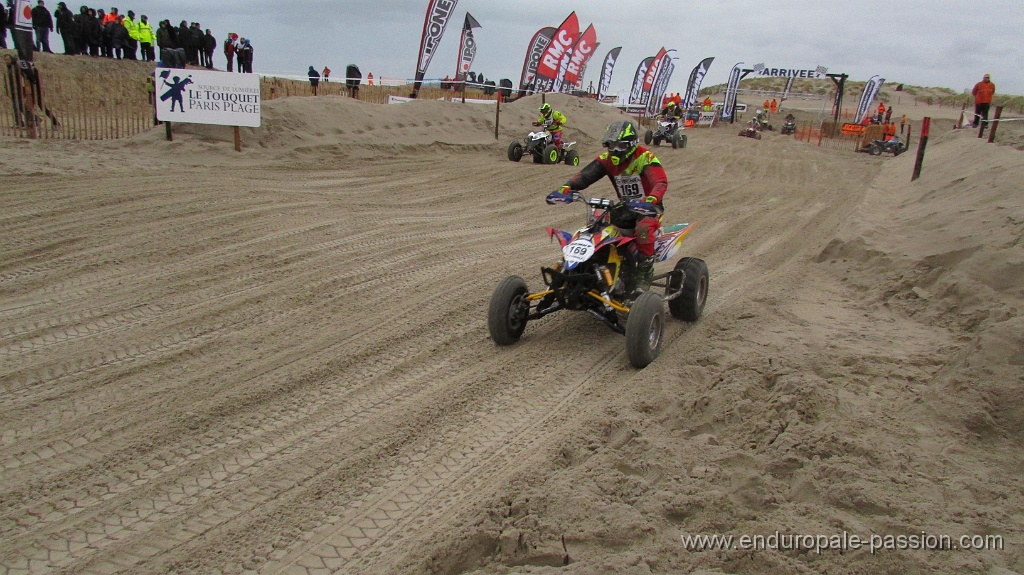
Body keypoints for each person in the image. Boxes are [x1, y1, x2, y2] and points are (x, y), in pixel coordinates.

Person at [545, 120, 667, 294]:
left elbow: (660, 181)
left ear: (631, 144)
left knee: (643, 228)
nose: (615, 150)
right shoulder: (607, 159)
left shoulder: (645, 157)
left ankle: (644, 273)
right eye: (611, 145)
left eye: (620, 146)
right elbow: (586, 175)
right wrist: (566, 188)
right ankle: (589, 269)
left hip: (650, 208)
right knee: (596, 226)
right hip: (625, 207)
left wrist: (652, 199)